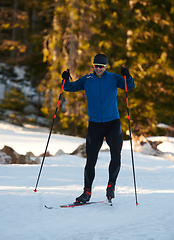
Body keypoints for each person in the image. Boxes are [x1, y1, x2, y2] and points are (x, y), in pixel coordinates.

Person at [61, 53, 135, 203]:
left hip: (112, 123)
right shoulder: (87, 80)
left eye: (101, 66)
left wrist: (127, 76)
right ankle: (86, 192)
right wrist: (65, 78)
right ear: (93, 66)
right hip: (94, 125)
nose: (98, 69)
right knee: (91, 160)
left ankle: (111, 186)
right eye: (96, 66)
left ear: (106, 66)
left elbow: (129, 86)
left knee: (116, 154)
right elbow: (70, 87)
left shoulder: (113, 78)